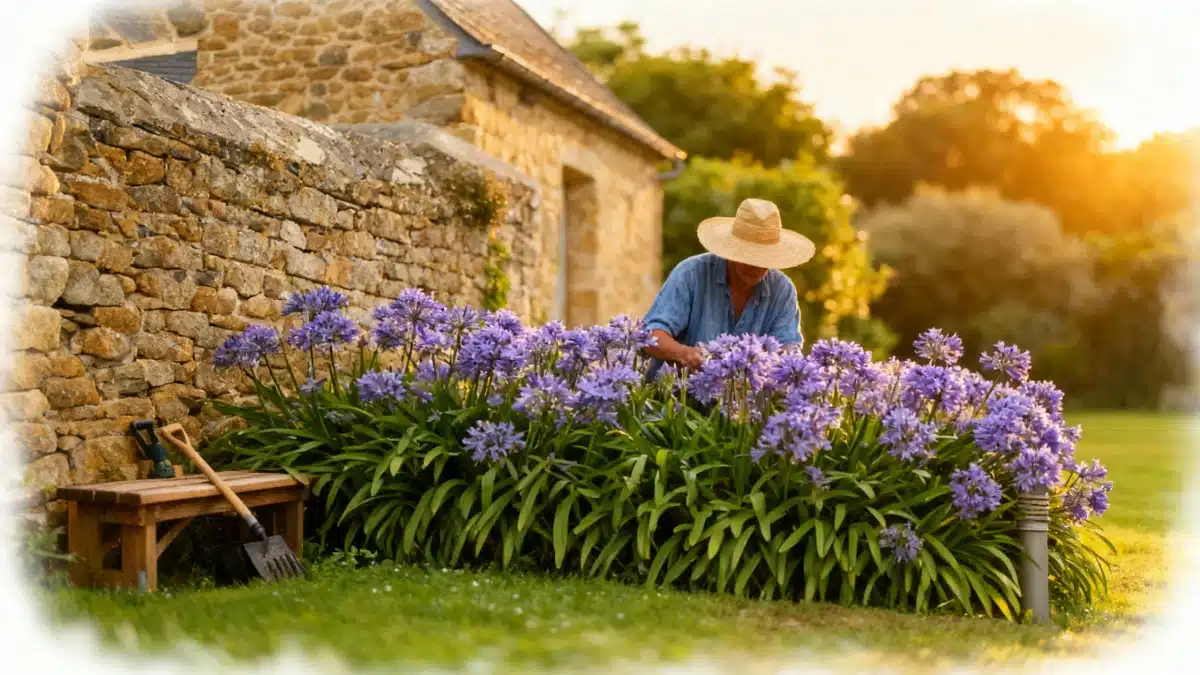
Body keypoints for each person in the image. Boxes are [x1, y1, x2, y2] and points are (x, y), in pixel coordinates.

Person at [641, 198, 815, 376]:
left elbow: (788, 352)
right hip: (675, 395)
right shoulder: (690, 273)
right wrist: (685, 354)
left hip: (745, 401)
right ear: (730, 251)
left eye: (763, 258)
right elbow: (650, 336)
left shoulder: (783, 290)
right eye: (747, 255)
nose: (755, 266)